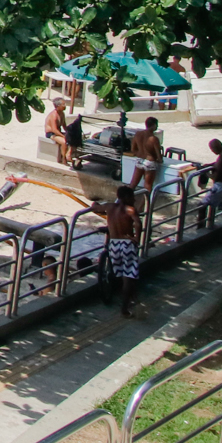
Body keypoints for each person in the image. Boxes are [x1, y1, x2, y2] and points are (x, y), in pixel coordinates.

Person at [91, 185, 142, 316]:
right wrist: (137, 238)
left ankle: (129, 296)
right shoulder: (130, 210)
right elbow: (138, 223)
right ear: (126, 197)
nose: (134, 200)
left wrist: (95, 204)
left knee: (119, 273)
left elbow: (95, 207)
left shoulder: (109, 207)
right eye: (132, 197)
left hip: (114, 244)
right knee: (128, 277)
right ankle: (125, 309)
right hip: (127, 243)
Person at [129, 117, 163, 192]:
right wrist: (160, 159)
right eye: (156, 125)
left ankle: (126, 198)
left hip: (139, 160)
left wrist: (140, 153)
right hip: (149, 161)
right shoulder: (154, 139)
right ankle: (146, 200)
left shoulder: (138, 134)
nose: (157, 126)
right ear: (154, 125)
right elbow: (159, 157)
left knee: (133, 183)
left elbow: (133, 150)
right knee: (148, 186)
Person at [45, 97, 71, 165]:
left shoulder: (62, 113)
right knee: (64, 142)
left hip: (58, 132)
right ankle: (64, 159)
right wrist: (63, 136)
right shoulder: (53, 115)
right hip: (51, 133)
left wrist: (69, 132)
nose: (65, 106)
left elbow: (64, 126)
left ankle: (69, 154)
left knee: (73, 138)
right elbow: (54, 130)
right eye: (63, 104)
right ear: (58, 106)